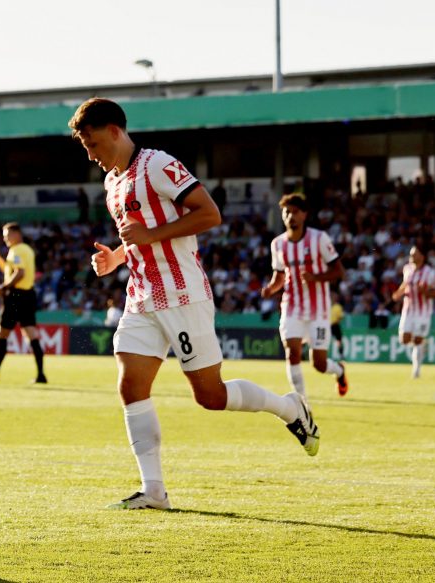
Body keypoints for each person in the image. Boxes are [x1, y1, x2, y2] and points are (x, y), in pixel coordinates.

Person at [71, 98, 319, 511]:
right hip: (142, 295)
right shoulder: (112, 183)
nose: (90, 154)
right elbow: (139, 235)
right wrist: (116, 257)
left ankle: (289, 407)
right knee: (130, 384)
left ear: (114, 131)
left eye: (92, 143)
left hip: (183, 294)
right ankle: (154, 490)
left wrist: (153, 236)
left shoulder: (157, 165)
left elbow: (209, 214)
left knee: (210, 395)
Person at [260, 194, 349, 397]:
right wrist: (270, 289)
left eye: (295, 212)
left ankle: (340, 370)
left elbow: (338, 271)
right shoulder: (277, 244)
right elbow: (279, 277)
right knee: (292, 354)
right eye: (287, 212)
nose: (291, 216)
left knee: (319, 363)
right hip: (291, 307)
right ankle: (302, 404)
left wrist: (315, 277)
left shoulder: (319, 238)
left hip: (318, 311)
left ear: (304, 215)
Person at [0, 222, 47, 384]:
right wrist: (1, 263)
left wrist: (3, 287)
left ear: (17, 234)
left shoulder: (17, 250)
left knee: (2, 334)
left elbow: (19, 274)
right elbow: (14, 271)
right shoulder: (27, 250)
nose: (5, 239)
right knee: (31, 334)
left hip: (15, 296)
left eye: (7, 235)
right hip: (28, 295)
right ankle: (41, 374)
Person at [392, 245, 435, 379]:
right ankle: (422, 344)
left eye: (414, 254)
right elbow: (405, 283)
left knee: (417, 340)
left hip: (423, 312)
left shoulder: (429, 272)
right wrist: (398, 293)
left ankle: (416, 370)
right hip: (408, 310)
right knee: (404, 339)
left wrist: (425, 292)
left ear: (422, 257)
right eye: (411, 254)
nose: (411, 257)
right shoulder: (407, 269)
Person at [329, 292, 344, 357]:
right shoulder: (328, 305)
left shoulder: (338, 307)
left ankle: (341, 354)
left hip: (335, 325)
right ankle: (326, 353)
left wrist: (337, 321)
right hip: (328, 326)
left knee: (339, 340)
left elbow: (340, 317)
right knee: (326, 340)